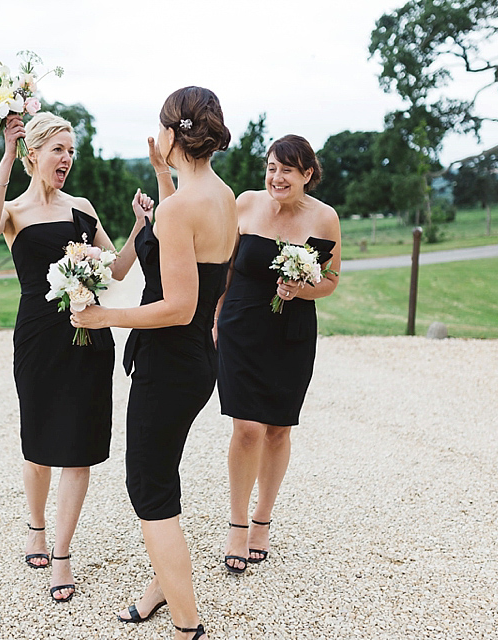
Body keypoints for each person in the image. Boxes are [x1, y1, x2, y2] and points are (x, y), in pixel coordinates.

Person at [72, 86, 235, 640]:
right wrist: (162, 180)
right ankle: (161, 588)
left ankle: (188, 623)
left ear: (172, 134)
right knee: (162, 473)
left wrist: (104, 318)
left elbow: (179, 305)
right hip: (194, 363)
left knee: (147, 486)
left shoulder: (181, 208)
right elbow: (185, 261)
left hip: (170, 364)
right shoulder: (221, 195)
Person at [0, 111, 146, 602]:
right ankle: (35, 526)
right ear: (34, 155)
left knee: (78, 447)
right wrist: (6, 154)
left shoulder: (82, 208)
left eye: (71, 151)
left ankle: (63, 554)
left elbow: (114, 269)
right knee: (38, 441)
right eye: (58, 150)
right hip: (38, 338)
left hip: (88, 335)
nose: (67, 159)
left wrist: (139, 227)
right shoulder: (14, 212)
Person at [216, 134, 342, 574]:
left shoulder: (325, 219)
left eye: (287, 170)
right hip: (239, 326)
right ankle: (236, 524)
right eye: (271, 167)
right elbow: (225, 267)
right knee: (247, 427)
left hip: (291, 332)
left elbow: (330, 280)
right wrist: (214, 317)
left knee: (277, 430)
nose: (276, 177)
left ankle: (262, 520)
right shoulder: (245, 204)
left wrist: (302, 288)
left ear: (307, 174)